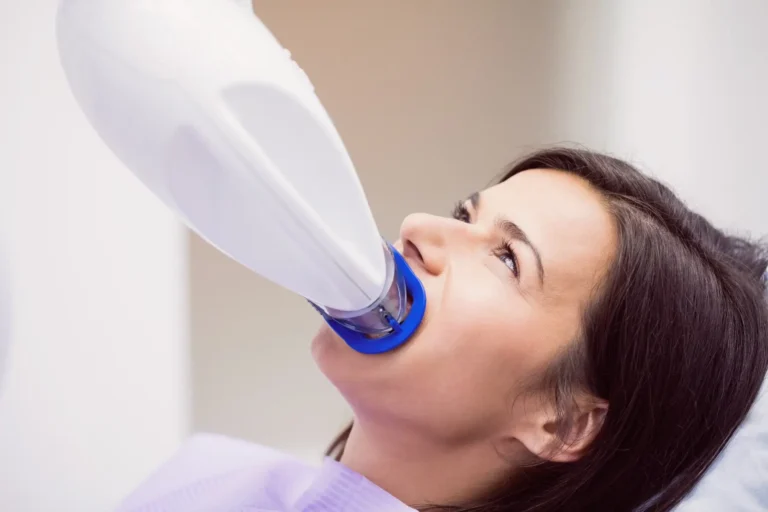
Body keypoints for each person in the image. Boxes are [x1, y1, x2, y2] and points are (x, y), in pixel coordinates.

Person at [116, 148, 768, 512]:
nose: (420, 229)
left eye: (506, 258)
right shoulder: (207, 471)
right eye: (465, 212)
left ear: (564, 422)